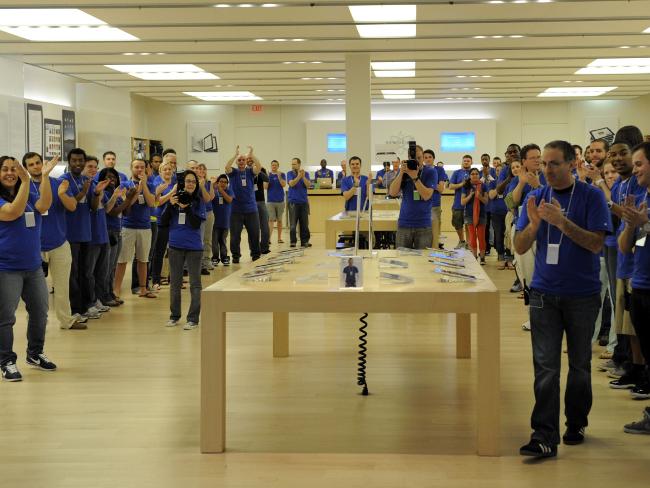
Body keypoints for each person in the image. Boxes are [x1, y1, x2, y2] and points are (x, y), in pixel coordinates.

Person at [515, 140, 612, 458]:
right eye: (544, 164)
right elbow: (518, 245)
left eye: (554, 163)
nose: (547, 170)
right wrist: (534, 226)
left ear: (572, 164)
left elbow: (596, 244)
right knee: (545, 368)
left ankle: (576, 421)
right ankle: (543, 434)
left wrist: (562, 223)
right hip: (543, 293)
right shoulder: (535, 197)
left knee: (580, 365)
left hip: (582, 296)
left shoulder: (592, 196)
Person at [0, 155, 58, 382]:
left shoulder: (28, 192)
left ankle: (34, 354)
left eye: (14, 169)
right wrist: (26, 182)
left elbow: (44, 205)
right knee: (5, 317)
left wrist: (43, 177)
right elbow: (12, 212)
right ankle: (6, 361)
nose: (10, 173)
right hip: (6, 267)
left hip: (33, 266)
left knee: (40, 313)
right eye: (4, 169)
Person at [22, 152, 87, 330]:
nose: (35, 166)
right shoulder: (23, 187)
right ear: (26, 169)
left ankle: (66, 320)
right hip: (34, 246)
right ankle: (35, 321)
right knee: (34, 290)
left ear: (43, 163)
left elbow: (73, 206)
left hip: (59, 243)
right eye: (31, 164)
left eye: (38, 163)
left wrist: (62, 194)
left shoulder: (59, 183)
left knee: (62, 286)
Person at [619, 141, 650, 432]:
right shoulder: (643, 200)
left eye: (640, 164)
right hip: (639, 283)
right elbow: (625, 247)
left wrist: (646, 223)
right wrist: (632, 224)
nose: (635, 168)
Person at [60, 148, 101, 320]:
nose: (78, 163)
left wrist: (97, 192)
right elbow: (71, 204)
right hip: (70, 235)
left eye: (80, 160)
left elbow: (92, 206)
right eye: (74, 160)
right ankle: (75, 309)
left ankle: (87, 305)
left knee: (85, 272)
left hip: (86, 233)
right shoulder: (64, 181)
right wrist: (83, 191)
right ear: (69, 162)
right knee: (73, 273)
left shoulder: (87, 180)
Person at [163, 170, 206, 330]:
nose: (190, 184)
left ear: (196, 185)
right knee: (175, 283)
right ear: (183, 183)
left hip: (194, 247)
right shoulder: (174, 199)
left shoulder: (199, 201)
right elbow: (163, 221)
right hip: (175, 246)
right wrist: (170, 204)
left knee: (195, 284)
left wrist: (187, 208)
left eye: (193, 182)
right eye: (188, 181)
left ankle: (193, 319)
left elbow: (196, 224)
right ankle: (174, 316)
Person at [113, 159, 157, 299]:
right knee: (122, 259)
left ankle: (143, 289)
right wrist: (136, 191)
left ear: (146, 169)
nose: (139, 170)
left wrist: (143, 186)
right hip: (128, 226)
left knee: (143, 259)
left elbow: (151, 203)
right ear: (131, 168)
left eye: (142, 167)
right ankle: (116, 290)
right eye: (136, 167)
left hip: (145, 227)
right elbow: (127, 205)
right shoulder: (125, 184)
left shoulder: (149, 184)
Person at [389, 144, 438, 249]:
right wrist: (401, 173)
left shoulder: (430, 171)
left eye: (419, 158)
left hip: (423, 224)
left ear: (423, 157)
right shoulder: (403, 172)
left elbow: (426, 195)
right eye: (413, 158)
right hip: (404, 223)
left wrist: (415, 178)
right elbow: (392, 193)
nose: (417, 160)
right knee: (402, 260)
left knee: (422, 262)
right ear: (408, 158)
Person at [82, 157, 112, 314]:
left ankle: (98, 298)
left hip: (102, 234)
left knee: (101, 272)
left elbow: (106, 208)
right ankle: (90, 301)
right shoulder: (84, 186)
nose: (93, 169)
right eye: (89, 166)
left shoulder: (96, 184)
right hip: (90, 236)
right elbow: (92, 207)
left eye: (95, 167)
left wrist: (117, 195)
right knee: (89, 272)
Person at [226, 146, 262, 263]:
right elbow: (227, 167)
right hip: (236, 210)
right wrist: (234, 155)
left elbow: (259, 167)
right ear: (237, 162)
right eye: (239, 160)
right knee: (235, 236)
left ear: (246, 162)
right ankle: (236, 256)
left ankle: (255, 254)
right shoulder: (233, 173)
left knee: (254, 234)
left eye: (243, 160)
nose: (241, 161)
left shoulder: (250, 172)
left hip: (251, 209)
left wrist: (252, 155)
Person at [150, 160, 175, 289]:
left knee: (173, 252)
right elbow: (157, 202)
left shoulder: (174, 183)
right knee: (159, 252)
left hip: (173, 222)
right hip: (160, 221)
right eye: (164, 169)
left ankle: (173, 278)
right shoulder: (157, 183)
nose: (167, 171)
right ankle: (156, 280)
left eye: (169, 169)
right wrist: (171, 194)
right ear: (160, 171)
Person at [461, 168, 489, 264]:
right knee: (472, 237)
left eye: (476, 174)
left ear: (479, 175)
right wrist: (471, 195)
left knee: (481, 237)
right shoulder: (466, 186)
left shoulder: (484, 186)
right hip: (469, 214)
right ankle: (474, 257)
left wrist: (479, 196)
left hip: (481, 214)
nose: (474, 175)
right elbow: (462, 202)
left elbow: (486, 201)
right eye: (472, 174)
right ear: (469, 175)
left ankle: (482, 258)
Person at [424, 149, 447, 249]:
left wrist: (429, 183)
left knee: (435, 230)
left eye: (430, 157)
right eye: (425, 157)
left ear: (433, 158)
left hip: (435, 204)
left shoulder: (439, 170)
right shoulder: (421, 169)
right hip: (422, 204)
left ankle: (435, 250)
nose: (428, 159)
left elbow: (441, 189)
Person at [448, 155, 473, 249]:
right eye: (464, 161)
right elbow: (450, 186)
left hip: (470, 204)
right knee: (457, 224)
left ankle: (469, 244)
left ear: (471, 162)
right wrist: (462, 184)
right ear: (462, 162)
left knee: (468, 224)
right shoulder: (456, 173)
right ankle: (462, 241)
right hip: (458, 205)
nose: (466, 162)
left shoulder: (474, 173)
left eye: (468, 161)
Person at [195, 163, 216, 274]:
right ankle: (197, 263)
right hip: (198, 213)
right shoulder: (193, 182)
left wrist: (212, 185)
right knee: (198, 239)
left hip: (208, 212)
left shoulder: (208, 182)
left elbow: (211, 197)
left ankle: (206, 261)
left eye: (204, 169)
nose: (202, 171)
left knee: (207, 238)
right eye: (199, 169)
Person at [287, 157, 312, 248]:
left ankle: (304, 241)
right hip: (293, 202)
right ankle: (293, 241)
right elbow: (291, 184)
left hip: (303, 202)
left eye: (294, 164)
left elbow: (308, 185)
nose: (293, 166)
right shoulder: (289, 173)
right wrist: (298, 176)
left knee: (304, 223)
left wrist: (303, 176)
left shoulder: (306, 174)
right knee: (293, 224)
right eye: (292, 164)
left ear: (299, 164)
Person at [212, 174, 234, 266]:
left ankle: (224, 257)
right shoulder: (214, 191)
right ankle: (215, 257)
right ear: (217, 182)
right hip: (214, 222)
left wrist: (221, 191)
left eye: (225, 182)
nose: (223, 184)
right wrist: (214, 187)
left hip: (225, 222)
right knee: (214, 241)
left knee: (223, 240)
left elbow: (229, 200)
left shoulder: (229, 191)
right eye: (221, 182)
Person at [267, 160, 286, 244]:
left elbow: (284, 185)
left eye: (275, 165)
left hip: (280, 201)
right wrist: (267, 178)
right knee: (271, 220)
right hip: (270, 201)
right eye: (272, 165)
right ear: (271, 166)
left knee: (279, 220)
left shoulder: (282, 174)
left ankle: (279, 238)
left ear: (278, 166)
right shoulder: (268, 175)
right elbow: (265, 187)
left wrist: (279, 177)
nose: (274, 166)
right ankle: (268, 239)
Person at [253, 165, 271, 254]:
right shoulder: (246, 171)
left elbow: (267, 179)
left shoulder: (261, 170)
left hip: (261, 201)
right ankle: (255, 249)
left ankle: (264, 247)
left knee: (265, 226)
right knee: (254, 228)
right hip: (251, 203)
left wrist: (259, 170)